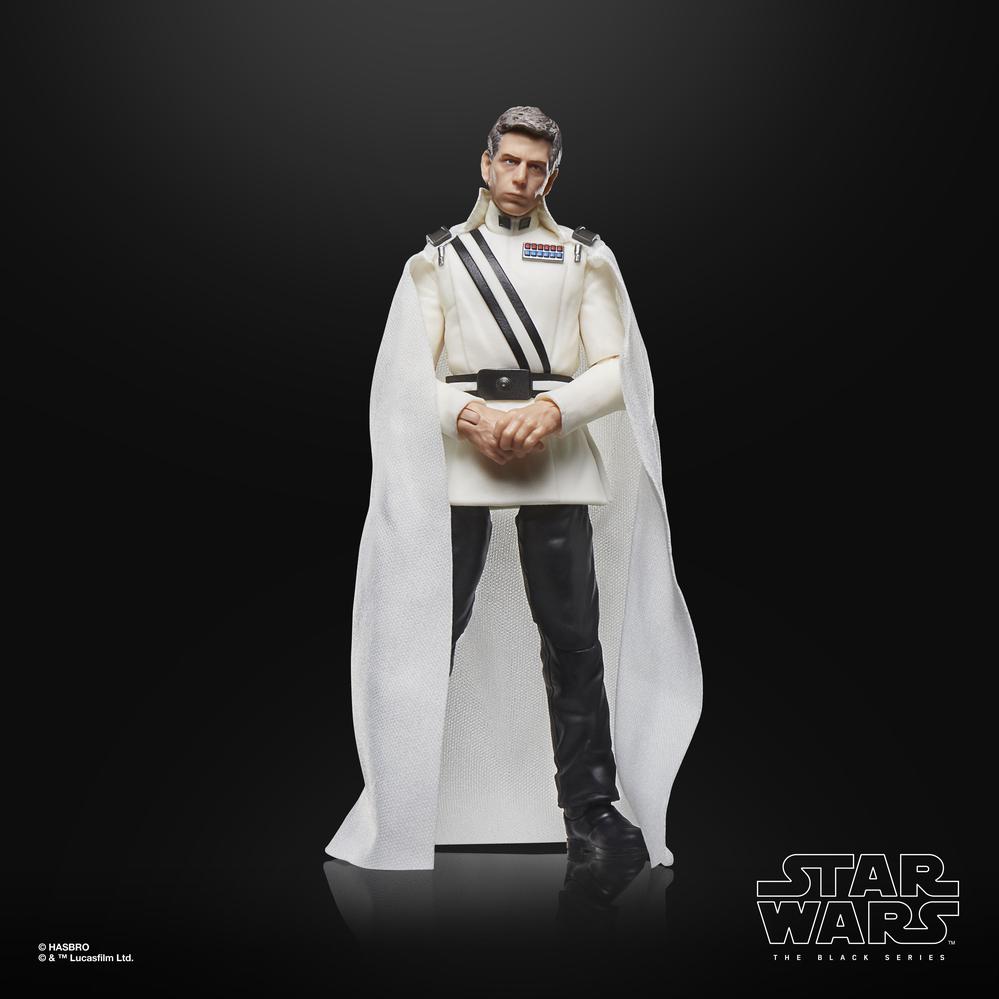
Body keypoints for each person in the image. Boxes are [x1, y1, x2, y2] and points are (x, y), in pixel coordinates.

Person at [325, 106, 702, 872]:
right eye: (510, 162)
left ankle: (590, 810)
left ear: (551, 176)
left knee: (573, 639)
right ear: (486, 162)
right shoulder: (438, 260)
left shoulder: (581, 257)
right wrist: (461, 412)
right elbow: (406, 372)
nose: (521, 178)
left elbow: (616, 368)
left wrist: (553, 410)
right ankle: (404, 798)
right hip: (460, 458)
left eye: (536, 167)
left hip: (551, 451)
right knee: (428, 628)